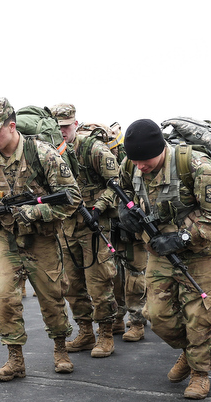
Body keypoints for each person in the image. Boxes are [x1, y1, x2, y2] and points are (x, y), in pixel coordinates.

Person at [0, 97, 82, 380]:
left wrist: (34, 211)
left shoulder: (43, 154)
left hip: (42, 239)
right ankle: (15, 359)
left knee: (52, 298)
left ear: (11, 127)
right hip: (5, 238)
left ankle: (60, 348)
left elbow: (73, 199)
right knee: (4, 298)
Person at [117, 119, 211, 399]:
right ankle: (190, 351)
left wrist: (182, 238)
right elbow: (122, 195)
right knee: (157, 316)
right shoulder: (130, 165)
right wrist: (125, 215)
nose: (140, 167)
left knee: (200, 317)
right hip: (157, 253)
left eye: (146, 160)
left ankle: (199, 374)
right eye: (135, 161)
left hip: (199, 254)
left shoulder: (195, 166)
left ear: (161, 150)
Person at [50, 103, 120, 358]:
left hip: (93, 226)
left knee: (99, 281)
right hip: (66, 228)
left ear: (75, 125)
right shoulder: (52, 153)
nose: (63, 132)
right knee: (72, 284)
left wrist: (99, 207)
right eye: (57, 128)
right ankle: (85, 332)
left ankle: (106, 334)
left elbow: (117, 184)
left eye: (66, 127)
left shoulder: (93, 149)